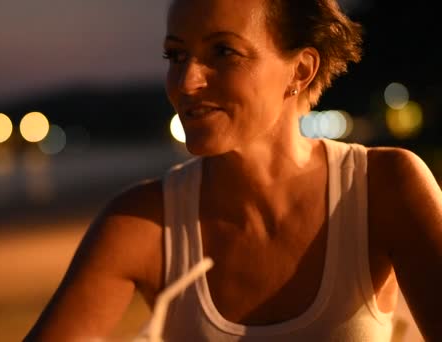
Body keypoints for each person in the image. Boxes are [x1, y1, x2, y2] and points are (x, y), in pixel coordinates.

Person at [23, 0, 442, 340]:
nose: (186, 81)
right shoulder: (143, 224)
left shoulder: (382, 188)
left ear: (301, 69)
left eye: (223, 51)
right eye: (176, 54)